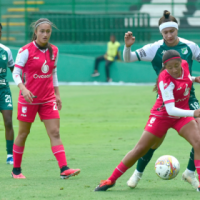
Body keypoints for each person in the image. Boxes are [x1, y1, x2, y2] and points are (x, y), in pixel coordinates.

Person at [94, 50, 200, 192]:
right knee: (140, 149)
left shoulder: (185, 66)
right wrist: (194, 113)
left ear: (181, 62)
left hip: (181, 116)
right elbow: (170, 110)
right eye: (170, 67)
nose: (174, 69)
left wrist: (194, 79)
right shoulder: (165, 79)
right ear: (164, 66)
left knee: (198, 142)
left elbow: (184, 77)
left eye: (177, 65)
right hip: (162, 116)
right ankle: (110, 180)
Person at [123, 10, 200, 189]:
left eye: (172, 31)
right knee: (154, 141)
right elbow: (128, 59)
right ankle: (138, 173)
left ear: (177, 30)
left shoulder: (190, 46)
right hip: (166, 101)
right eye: (165, 32)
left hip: (189, 96)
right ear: (161, 33)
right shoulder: (154, 48)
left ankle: (190, 172)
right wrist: (127, 47)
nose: (169, 35)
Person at [11, 18, 80, 179]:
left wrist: (57, 94)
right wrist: (23, 89)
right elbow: (15, 73)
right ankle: (16, 170)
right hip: (29, 99)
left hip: (48, 98)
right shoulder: (25, 50)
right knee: (23, 133)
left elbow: (53, 73)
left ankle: (64, 169)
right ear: (35, 32)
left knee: (55, 132)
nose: (45, 34)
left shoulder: (54, 50)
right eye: (42, 31)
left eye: (48, 31)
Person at [0, 23, 15, 164]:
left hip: (3, 90)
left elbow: (14, 70)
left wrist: (24, 85)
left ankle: (10, 155)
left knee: (9, 121)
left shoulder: (6, 51)